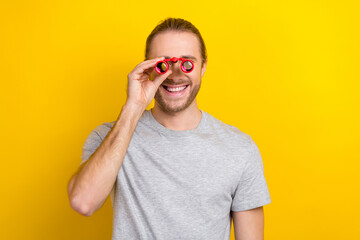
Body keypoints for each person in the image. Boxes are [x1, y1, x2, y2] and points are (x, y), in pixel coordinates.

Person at [67, 17, 271, 240]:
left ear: (203, 67)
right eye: (163, 64)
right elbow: (82, 202)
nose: (174, 75)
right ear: (147, 68)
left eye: (187, 63)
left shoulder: (239, 150)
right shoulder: (110, 137)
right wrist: (133, 106)